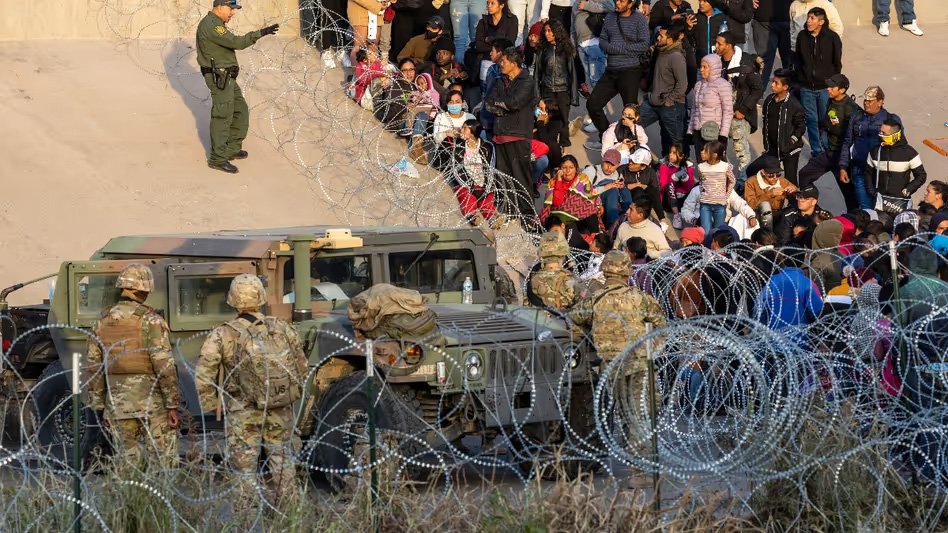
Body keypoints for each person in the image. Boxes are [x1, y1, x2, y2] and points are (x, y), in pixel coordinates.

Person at [195, 274, 308, 508]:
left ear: (232, 300)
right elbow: (301, 367)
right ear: (261, 297)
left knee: (244, 468)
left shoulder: (223, 334)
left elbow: (204, 375)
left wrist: (213, 406)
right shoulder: (282, 328)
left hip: (242, 411)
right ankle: (290, 516)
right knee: (282, 461)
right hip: (279, 408)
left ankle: (247, 518)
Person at [86, 264, 180, 467]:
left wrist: (99, 405)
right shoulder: (151, 320)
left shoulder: (101, 321)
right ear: (143, 289)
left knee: (127, 464)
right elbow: (164, 365)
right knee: (163, 464)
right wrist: (172, 404)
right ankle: (158, 499)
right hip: (151, 403)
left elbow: (94, 366)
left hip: (117, 403)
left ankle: (130, 499)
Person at [568, 251, 666, 432]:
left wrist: (590, 335)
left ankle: (633, 452)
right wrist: (653, 351)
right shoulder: (640, 298)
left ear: (605, 271)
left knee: (625, 412)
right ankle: (640, 454)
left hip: (611, 365)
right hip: (639, 363)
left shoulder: (595, 299)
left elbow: (572, 321)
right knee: (642, 414)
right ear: (627, 272)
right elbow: (661, 325)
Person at [196, 0, 279, 173]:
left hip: (227, 77)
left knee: (240, 111)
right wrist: (261, 33)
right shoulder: (212, 26)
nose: (232, 13)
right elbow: (237, 43)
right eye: (230, 9)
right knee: (223, 115)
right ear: (219, 7)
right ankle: (217, 159)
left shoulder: (218, 24)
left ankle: (231, 149)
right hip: (219, 77)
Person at [485, 46, 540, 226]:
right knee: (504, 177)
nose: (501, 63)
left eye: (504, 61)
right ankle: (510, 211)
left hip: (518, 135)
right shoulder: (500, 80)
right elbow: (488, 102)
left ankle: (527, 215)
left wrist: (501, 105)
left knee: (521, 177)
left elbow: (514, 103)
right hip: (500, 134)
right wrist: (503, 105)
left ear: (514, 64)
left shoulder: (527, 81)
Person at [586, 0, 650, 138]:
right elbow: (603, 40)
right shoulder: (610, 17)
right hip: (611, 71)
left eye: (621, 1)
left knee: (630, 113)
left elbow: (644, 44)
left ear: (630, 4)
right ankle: (608, 136)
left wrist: (621, 49)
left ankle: (629, 144)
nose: (617, 3)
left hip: (630, 71)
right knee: (592, 104)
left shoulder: (639, 19)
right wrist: (612, 48)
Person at [839, 86, 903, 210]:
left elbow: (900, 146)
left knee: (881, 209)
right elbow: (847, 142)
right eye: (865, 100)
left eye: (870, 101)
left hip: (882, 173)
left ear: (880, 102)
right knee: (865, 208)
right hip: (859, 169)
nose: (866, 103)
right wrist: (843, 167)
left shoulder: (891, 120)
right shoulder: (856, 117)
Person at [796, 73, 860, 193]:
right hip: (829, 152)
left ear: (842, 90)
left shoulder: (850, 108)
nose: (828, 89)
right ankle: (810, 203)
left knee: (848, 194)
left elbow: (850, 135)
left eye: (832, 87)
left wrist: (844, 164)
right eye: (828, 86)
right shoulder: (831, 101)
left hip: (842, 156)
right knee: (804, 174)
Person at [715, 31, 763, 181]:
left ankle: (744, 183)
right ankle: (722, 180)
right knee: (718, 149)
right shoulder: (716, 61)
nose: (716, 46)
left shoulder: (746, 63)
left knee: (741, 152)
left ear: (729, 46)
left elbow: (757, 89)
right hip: (720, 114)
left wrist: (743, 110)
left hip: (738, 116)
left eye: (719, 44)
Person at [794, 7, 842, 158]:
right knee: (811, 119)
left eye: (812, 18)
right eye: (808, 18)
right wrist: (800, 79)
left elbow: (837, 62)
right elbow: (798, 60)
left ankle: (827, 146)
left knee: (825, 119)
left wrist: (832, 83)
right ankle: (816, 150)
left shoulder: (832, 38)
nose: (808, 21)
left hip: (825, 88)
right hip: (806, 87)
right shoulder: (802, 36)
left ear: (821, 21)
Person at [638, 24, 688, 157]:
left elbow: (683, 85)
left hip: (671, 107)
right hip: (652, 102)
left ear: (670, 39)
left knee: (676, 142)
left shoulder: (676, 56)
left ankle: (681, 171)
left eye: (661, 35)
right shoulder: (661, 50)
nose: (658, 37)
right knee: (632, 127)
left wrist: (669, 101)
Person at [866, 119, 927, 215]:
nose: (880, 134)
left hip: (901, 203)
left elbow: (921, 175)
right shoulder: (875, 151)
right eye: (880, 131)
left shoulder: (910, 153)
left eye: (884, 133)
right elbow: (868, 173)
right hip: (880, 202)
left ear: (895, 135)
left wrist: (908, 190)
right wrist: (872, 191)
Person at [535, 19, 579, 150]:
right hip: (547, 90)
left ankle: (564, 148)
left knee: (564, 121)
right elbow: (537, 74)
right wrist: (538, 98)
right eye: (546, 31)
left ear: (557, 32)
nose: (547, 34)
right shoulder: (542, 50)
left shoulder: (566, 50)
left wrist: (574, 97)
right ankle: (551, 149)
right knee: (548, 121)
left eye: (550, 31)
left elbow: (573, 74)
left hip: (563, 90)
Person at [540, 155, 602, 247]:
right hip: (563, 218)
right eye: (564, 168)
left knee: (591, 212)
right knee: (563, 229)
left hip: (581, 217)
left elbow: (591, 198)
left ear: (576, 168)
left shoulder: (582, 179)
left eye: (571, 167)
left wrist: (599, 206)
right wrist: (559, 181)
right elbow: (557, 203)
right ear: (560, 170)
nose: (568, 171)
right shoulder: (553, 182)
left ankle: (597, 243)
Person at [760, 68, 805, 184]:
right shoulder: (769, 100)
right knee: (758, 173)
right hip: (772, 149)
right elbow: (765, 119)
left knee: (790, 181)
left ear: (785, 87)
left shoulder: (794, 105)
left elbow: (801, 127)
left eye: (776, 83)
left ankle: (793, 202)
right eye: (772, 81)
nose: (772, 85)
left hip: (789, 151)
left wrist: (791, 141)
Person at [450, 119, 499, 226]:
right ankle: (472, 216)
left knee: (487, 199)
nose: (461, 130)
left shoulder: (487, 146)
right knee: (466, 196)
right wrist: (469, 185)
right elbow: (456, 169)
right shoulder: (458, 146)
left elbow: (491, 167)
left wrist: (486, 186)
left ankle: (493, 219)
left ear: (473, 131)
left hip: (484, 182)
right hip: (465, 183)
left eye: (464, 128)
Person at [687, 54, 732, 159]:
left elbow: (728, 111)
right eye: (701, 67)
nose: (701, 70)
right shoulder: (698, 85)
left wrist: (723, 135)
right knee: (702, 164)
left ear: (713, 68)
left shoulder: (723, 85)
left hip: (714, 133)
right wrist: (690, 131)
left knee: (716, 166)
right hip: (699, 132)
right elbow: (694, 109)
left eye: (705, 67)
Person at [472, 0, 520, 87]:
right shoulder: (483, 22)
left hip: (505, 61)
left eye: (492, 3)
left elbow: (510, 43)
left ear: (501, 5)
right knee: (485, 92)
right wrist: (497, 46)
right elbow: (479, 45)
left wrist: (490, 39)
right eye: (488, 3)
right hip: (486, 60)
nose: (489, 6)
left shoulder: (511, 20)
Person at [530, 231, 580, 310]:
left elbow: (526, 310)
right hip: (563, 321)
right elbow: (583, 311)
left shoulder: (533, 280)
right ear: (563, 253)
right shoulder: (573, 279)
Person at [695, 139, 736, 233]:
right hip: (705, 204)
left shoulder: (725, 166)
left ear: (714, 155)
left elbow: (732, 181)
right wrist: (703, 193)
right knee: (705, 231)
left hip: (720, 205)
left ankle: (718, 248)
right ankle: (706, 247)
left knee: (718, 231)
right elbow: (702, 182)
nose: (701, 152)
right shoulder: (701, 167)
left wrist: (726, 195)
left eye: (705, 151)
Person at [583, 148, 630, 229]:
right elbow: (583, 192)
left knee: (625, 190)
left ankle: (628, 218)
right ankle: (613, 226)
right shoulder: (591, 171)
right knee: (612, 191)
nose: (609, 167)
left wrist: (622, 186)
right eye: (607, 163)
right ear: (602, 160)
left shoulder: (618, 174)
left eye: (613, 165)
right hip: (594, 202)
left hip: (611, 204)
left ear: (618, 165)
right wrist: (607, 187)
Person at [574, 0, 613, 95]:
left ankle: (598, 108)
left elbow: (610, 7)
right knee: (593, 80)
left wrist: (587, 5)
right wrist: (573, 44)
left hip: (595, 43)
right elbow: (573, 24)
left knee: (597, 80)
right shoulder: (576, 2)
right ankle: (599, 108)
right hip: (581, 45)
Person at [751, 0, 793, 83]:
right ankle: (758, 93)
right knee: (764, 61)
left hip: (785, 16)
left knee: (788, 61)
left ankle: (789, 92)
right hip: (766, 18)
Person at [660, 142, 696, 229]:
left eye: (674, 153)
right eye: (670, 152)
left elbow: (689, 187)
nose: (671, 155)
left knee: (698, 187)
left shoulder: (688, 168)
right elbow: (663, 185)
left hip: (683, 198)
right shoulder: (665, 167)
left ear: (682, 156)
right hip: (669, 200)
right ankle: (677, 216)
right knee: (669, 185)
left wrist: (685, 178)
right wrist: (674, 178)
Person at [622, 147, 665, 220]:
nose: (630, 163)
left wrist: (643, 186)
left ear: (643, 166)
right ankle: (641, 216)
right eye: (630, 160)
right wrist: (630, 186)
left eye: (634, 163)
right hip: (629, 198)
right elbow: (617, 185)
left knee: (653, 191)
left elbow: (655, 188)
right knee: (638, 189)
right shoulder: (623, 170)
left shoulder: (650, 172)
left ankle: (662, 219)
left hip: (646, 200)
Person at [347, 0, 389, 66]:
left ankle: (371, 73)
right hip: (360, 10)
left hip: (377, 13)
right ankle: (357, 74)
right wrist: (377, 6)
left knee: (373, 46)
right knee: (359, 47)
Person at [534, 98, 566, 172]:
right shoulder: (534, 118)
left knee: (554, 146)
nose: (538, 110)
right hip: (532, 153)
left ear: (550, 113)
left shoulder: (555, 123)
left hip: (545, 156)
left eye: (541, 108)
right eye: (538, 107)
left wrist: (540, 123)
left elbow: (546, 140)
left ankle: (554, 169)